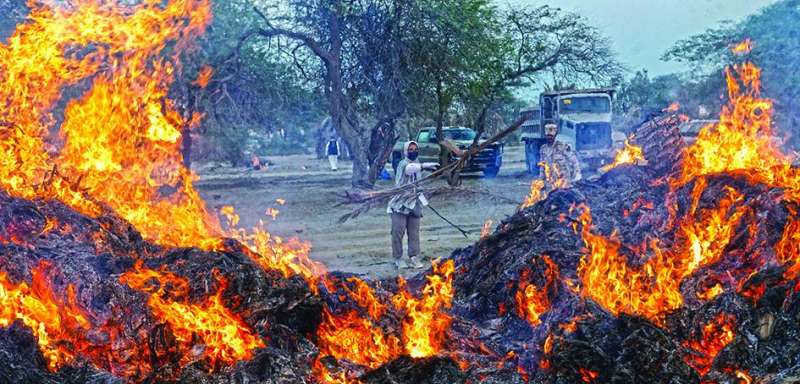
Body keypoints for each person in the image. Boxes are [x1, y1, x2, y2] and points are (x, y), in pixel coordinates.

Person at [387, 141, 436, 270]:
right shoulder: (403, 164)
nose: (413, 151)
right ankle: (398, 258)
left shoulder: (417, 164)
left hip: (414, 204)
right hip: (399, 204)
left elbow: (418, 186)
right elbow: (409, 170)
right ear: (405, 151)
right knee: (398, 231)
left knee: (414, 233)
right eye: (410, 149)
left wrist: (424, 201)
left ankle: (414, 257)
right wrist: (424, 165)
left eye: (415, 149)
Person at [539, 123, 581, 190]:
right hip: (551, 182)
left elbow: (574, 161)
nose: (549, 138)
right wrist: (541, 180)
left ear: (555, 135)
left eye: (551, 136)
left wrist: (577, 175)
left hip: (564, 181)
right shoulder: (543, 149)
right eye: (548, 136)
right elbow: (542, 166)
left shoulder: (562, 146)